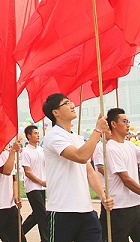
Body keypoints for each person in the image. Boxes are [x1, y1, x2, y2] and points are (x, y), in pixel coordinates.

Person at [42, 93, 113, 242]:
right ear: (56, 112)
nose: (72, 105)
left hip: (86, 210)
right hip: (62, 210)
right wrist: (98, 130)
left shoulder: (78, 138)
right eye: (66, 103)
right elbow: (81, 156)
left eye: (71, 102)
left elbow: (90, 172)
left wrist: (103, 196)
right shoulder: (54, 136)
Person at [103, 107, 140, 242]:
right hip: (120, 208)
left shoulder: (130, 145)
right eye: (124, 121)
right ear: (113, 124)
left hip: (138, 206)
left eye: (128, 121)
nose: (128, 124)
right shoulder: (111, 148)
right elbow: (126, 179)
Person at [21, 125, 48, 242]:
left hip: (42, 187)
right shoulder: (26, 152)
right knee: (42, 214)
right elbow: (28, 172)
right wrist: (41, 181)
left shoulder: (42, 150)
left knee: (37, 214)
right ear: (29, 136)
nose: (38, 135)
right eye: (35, 133)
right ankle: (46, 239)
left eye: (38, 133)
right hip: (32, 187)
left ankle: (19, 233)